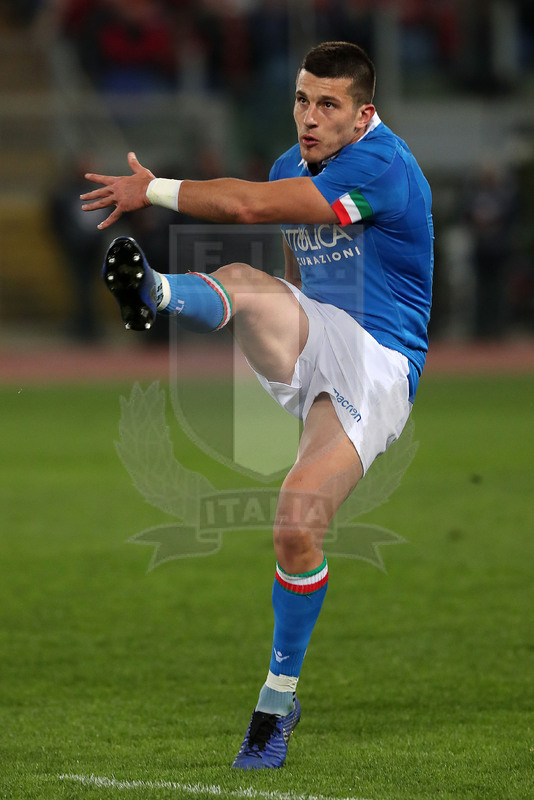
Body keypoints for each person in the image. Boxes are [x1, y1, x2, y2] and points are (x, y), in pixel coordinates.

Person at [81, 41, 434, 770]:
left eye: (328, 105)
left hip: (377, 365)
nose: (309, 117)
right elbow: (300, 269)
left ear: (364, 113)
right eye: (303, 99)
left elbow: (246, 204)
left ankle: (277, 700)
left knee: (295, 530)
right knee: (245, 279)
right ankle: (155, 294)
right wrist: (286, 323)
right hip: (315, 340)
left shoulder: (382, 165)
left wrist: (152, 190)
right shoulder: (289, 162)